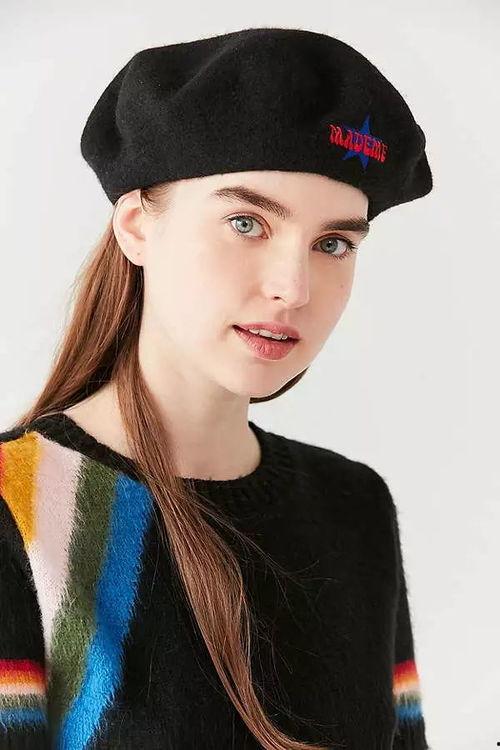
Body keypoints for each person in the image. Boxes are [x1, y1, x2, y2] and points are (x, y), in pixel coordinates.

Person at [0, 26, 433, 750]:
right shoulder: (20, 507)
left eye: (333, 243)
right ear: (137, 227)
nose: (293, 288)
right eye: (246, 222)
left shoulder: (355, 507)